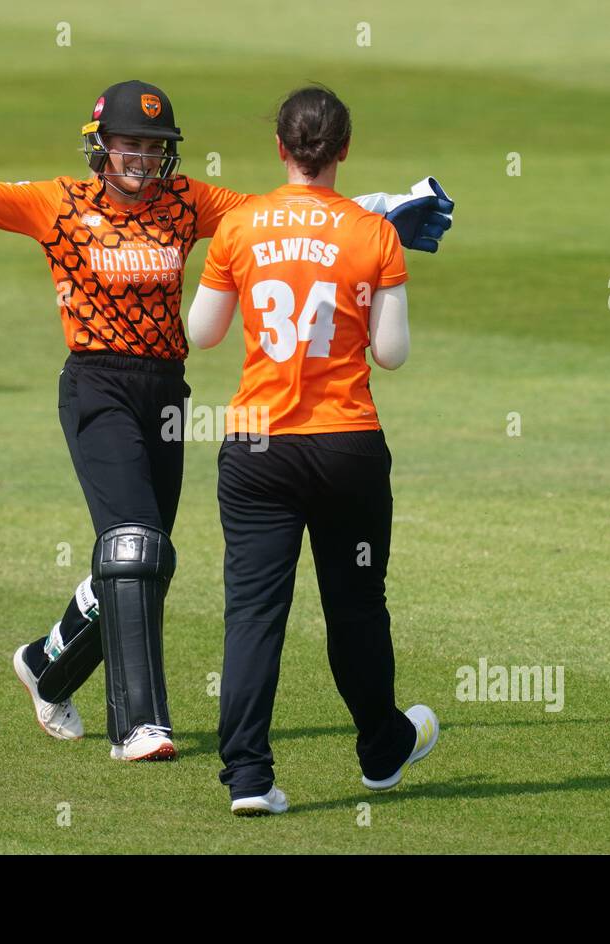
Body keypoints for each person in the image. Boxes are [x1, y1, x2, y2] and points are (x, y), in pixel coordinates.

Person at [0, 79, 453, 762]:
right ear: (100, 145)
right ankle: (139, 726)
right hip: (96, 388)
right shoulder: (59, 205)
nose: (141, 157)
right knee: (133, 546)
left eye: (155, 146)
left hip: (164, 393)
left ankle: (48, 667)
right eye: (130, 143)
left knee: (146, 559)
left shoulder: (185, 201)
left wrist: (386, 208)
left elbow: (282, 213)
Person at [187, 85, 441, 815]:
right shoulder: (375, 233)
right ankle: (381, 748)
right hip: (346, 446)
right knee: (356, 605)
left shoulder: (241, 226)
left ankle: (249, 778)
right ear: (344, 149)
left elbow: (203, 331)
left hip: (258, 446)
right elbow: (390, 353)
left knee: (254, 614)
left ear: (281, 148)